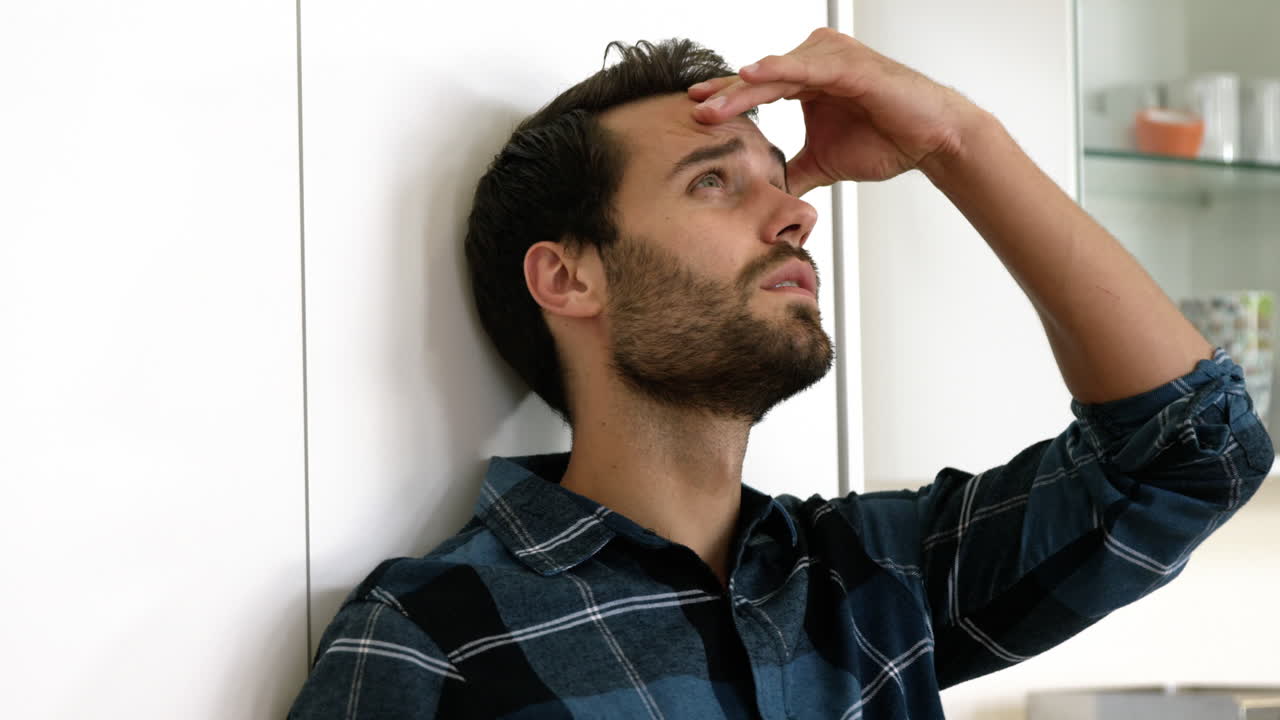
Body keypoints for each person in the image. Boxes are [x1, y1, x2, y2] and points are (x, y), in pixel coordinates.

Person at [288, 28, 1274, 718]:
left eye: (780, 177)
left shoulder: (867, 578)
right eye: (712, 180)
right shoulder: (432, 642)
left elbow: (1192, 458)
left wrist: (952, 139)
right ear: (568, 276)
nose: (795, 211)